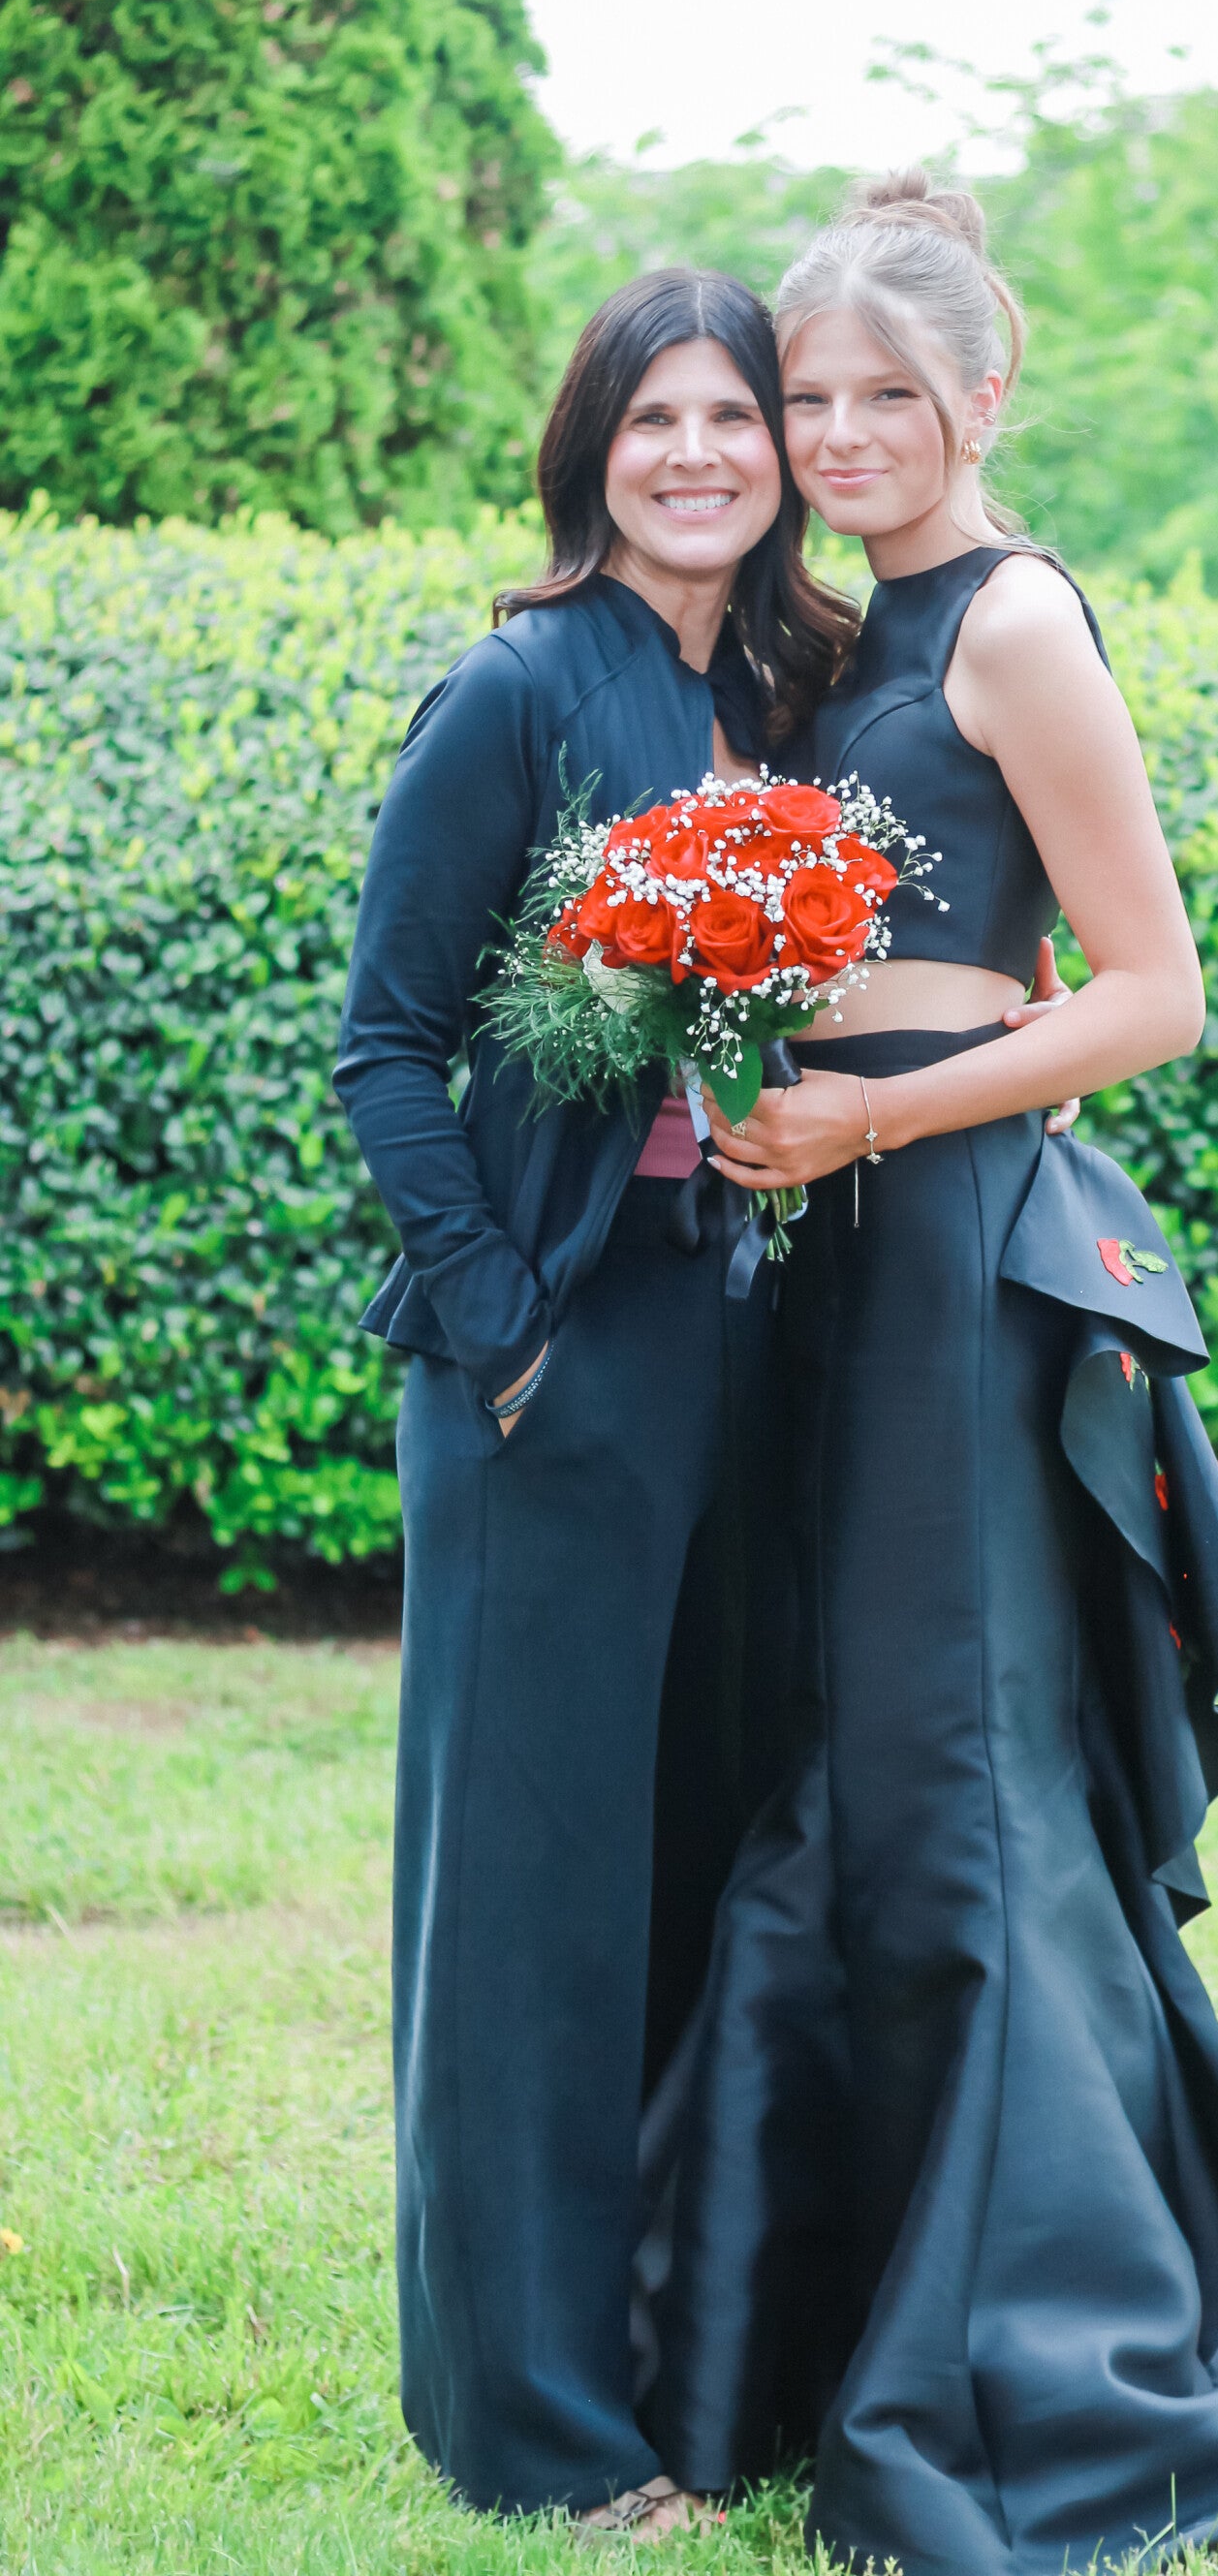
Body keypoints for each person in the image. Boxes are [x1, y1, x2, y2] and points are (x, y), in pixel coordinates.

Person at [642, 177, 1218, 2571]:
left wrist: (875, 1118)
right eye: (811, 395)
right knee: (864, 1766)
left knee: (945, 1773)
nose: (841, 433)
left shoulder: (1020, 620)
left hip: (953, 1255)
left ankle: (1012, 2344)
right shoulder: (852, 626)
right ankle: (796, 2324)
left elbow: (1154, 995)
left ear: (986, 393)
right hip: (834, 1244)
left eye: (889, 391)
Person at [333, 269, 852, 2530]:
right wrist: (503, 1331)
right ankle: (539, 2435)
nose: (699, 455)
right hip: (558, 1359)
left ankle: (697, 2370)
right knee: (533, 1909)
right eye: (656, 419)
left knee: (712, 1860)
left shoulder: (790, 693)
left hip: (752, 1340)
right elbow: (386, 1045)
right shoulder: (521, 687)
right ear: (592, 450)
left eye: (734, 415)